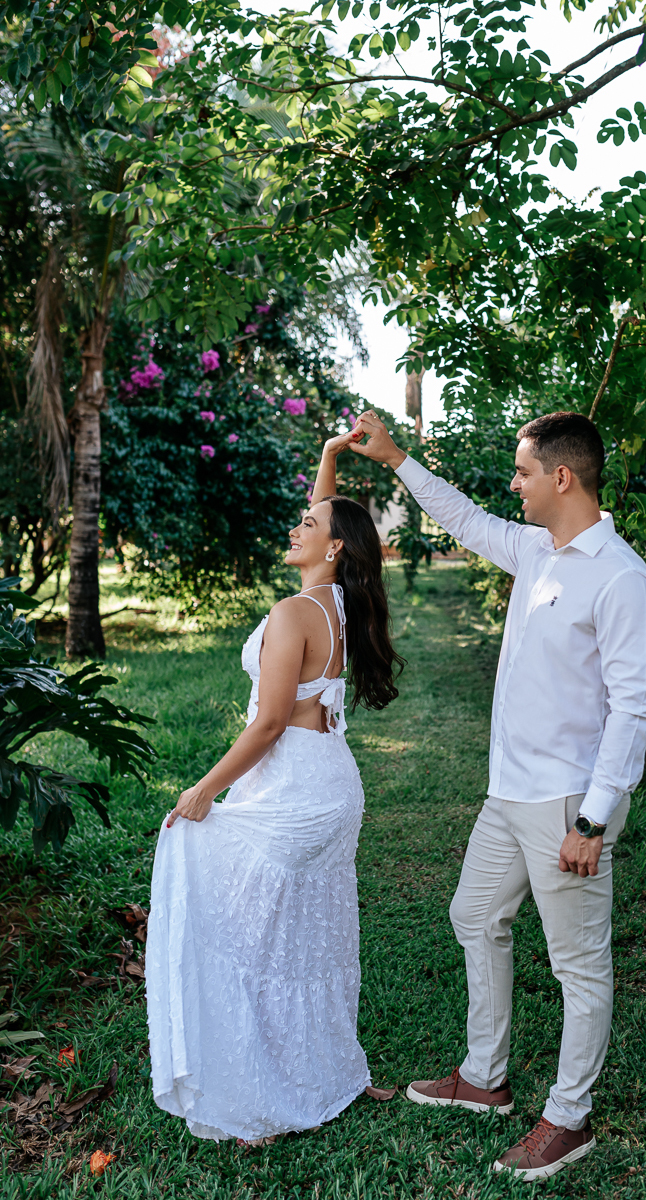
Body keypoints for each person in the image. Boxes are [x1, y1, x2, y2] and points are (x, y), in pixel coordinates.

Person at [348, 409, 646, 1181]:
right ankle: (484, 1078)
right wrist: (396, 460)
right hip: (506, 797)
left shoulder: (623, 579)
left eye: (523, 472)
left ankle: (569, 1117)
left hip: (567, 807)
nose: (512, 485)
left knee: (578, 967)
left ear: (563, 477)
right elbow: (461, 516)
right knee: (473, 915)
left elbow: (635, 711)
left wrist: (594, 820)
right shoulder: (534, 551)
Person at [145, 431, 404, 1143]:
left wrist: (202, 790)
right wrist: (327, 453)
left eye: (309, 525)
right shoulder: (340, 606)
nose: (297, 524)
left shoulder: (296, 614)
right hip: (328, 783)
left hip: (291, 782)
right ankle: (329, 1074)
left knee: (256, 939)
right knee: (310, 945)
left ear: (333, 551)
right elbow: (328, 511)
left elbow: (264, 727)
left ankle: (264, 1091)